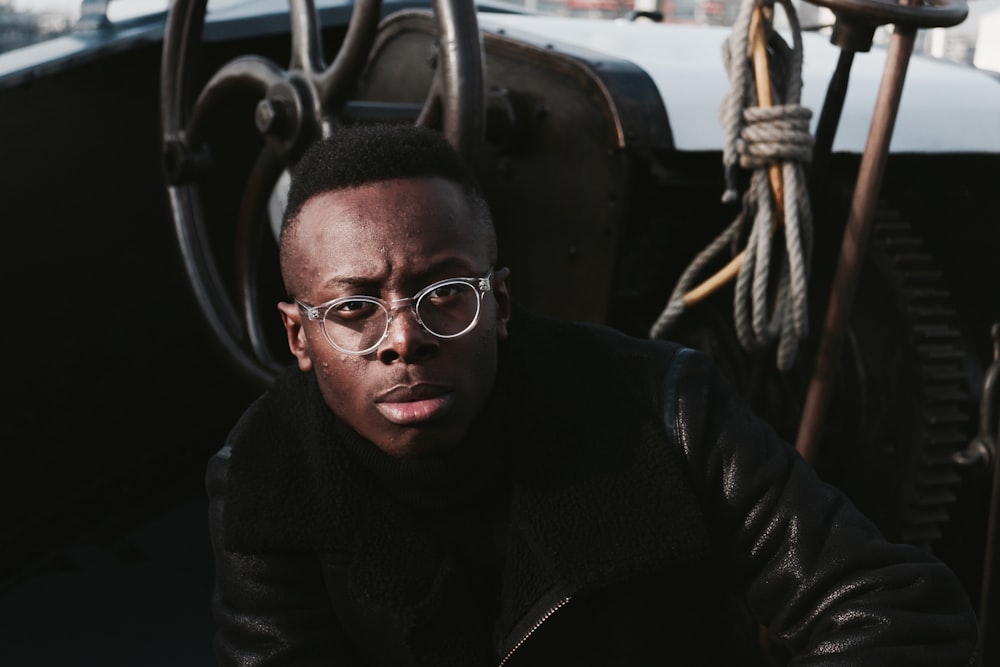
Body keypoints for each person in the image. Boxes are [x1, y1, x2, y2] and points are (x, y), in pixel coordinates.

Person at [207, 122, 978, 666]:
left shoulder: (664, 407)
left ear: (501, 304)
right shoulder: (264, 474)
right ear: (299, 337)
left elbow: (891, 608)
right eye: (352, 309)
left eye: (445, 294)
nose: (403, 338)